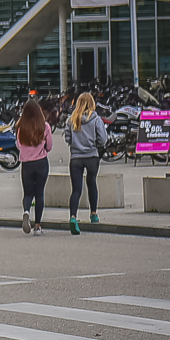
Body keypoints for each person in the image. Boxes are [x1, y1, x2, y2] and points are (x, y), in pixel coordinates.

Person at [66, 91, 108, 233]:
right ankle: (94, 214)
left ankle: (73, 217)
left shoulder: (71, 120)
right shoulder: (96, 119)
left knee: (76, 189)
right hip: (92, 157)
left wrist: (76, 143)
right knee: (92, 183)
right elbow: (103, 139)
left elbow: (67, 138)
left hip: (76, 158)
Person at [15, 100, 52, 235]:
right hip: (41, 162)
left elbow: (19, 146)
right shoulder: (45, 126)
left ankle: (26, 211)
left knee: (28, 193)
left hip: (26, 164)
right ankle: (38, 226)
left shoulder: (21, 128)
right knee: (39, 193)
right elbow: (49, 146)